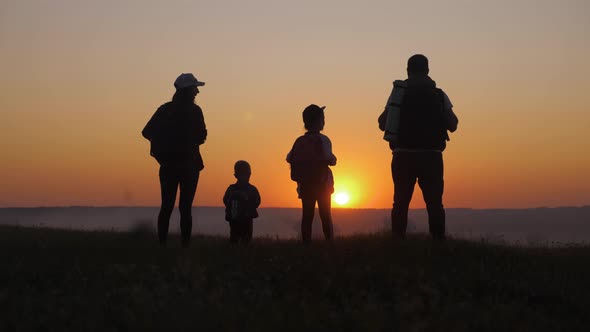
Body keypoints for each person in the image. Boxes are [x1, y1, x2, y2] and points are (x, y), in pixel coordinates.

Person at [378, 55, 458, 240]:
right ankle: (438, 246)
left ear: (407, 70)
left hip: (402, 156)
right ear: (428, 70)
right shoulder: (439, 94)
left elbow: (383, 123)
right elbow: (452, 124)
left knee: (400, 203)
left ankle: (397, 245)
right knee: (435, 204)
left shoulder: (398, 94)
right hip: (431, 157)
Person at [142, 73, 207, 247]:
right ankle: (184, 246)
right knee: (186, 208)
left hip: (168, 165)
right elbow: (202, 136)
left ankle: (162, 245)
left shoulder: (164, 110)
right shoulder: (195, 111)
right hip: (190, 165)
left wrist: (163, 146)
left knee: (167, 207)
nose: (197, 92)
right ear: (188, 91)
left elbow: (147, 132)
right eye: (195, 89)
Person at [287, 104, 336, 244]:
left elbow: (289, 158)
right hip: (323, 185)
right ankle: (329, 242)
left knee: (307, 215)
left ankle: (306, 244)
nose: (324, 122)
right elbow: (329, 159)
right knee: (325, 215)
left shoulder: (299, 141)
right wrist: (333, 160)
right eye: (323, 119)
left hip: (305, 185)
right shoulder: (324, 140)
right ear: (318, 121)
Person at [223, 160, 261, 244]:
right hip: (234, 218)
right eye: (243, 174)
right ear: (236, 175)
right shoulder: (232, 189)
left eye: (247, 174)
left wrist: (247, 200)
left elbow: (257, 201)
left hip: (247, 218)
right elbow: (225, 200)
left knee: (246, 238)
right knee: (234, 237)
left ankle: (243, 251)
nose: (246, 177)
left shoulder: (252, 189)